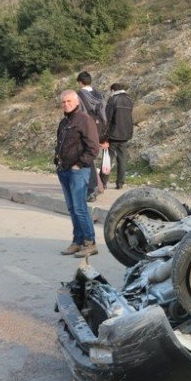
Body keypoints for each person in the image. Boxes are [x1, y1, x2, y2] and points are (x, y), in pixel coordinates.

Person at [54, 90, 101, 257]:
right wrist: (57, 163)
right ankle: (78, 241)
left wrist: (79, 164)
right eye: (63, 102)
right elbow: (60, 144)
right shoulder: (64, 122)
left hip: (78, 171)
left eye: (69, 101)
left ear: (76, 102)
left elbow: (94, 148)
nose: (66, 104)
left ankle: (90, 243)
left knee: (80, 208)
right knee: (72, 208)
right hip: (64, 171)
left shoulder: (84, 120)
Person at [75, 71, 107, 200]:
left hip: (85, 130)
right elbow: (104, 115)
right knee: (91, 157)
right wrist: (104, 135)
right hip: (98, 129)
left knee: (86, 158)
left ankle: (91, 189)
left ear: (80, 82)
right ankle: (96, 186)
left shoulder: (79, 95)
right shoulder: (99, 94)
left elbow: (77, 114)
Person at [104, 82, 134, 190]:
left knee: (107, 159)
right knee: (122, 159)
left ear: (112, 90)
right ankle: (120, 183)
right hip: (125, 134)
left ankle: (103, 183)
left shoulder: (113, 100)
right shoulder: (129, 100)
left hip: (113, 135)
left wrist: (104, 136)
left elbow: (108, 120)